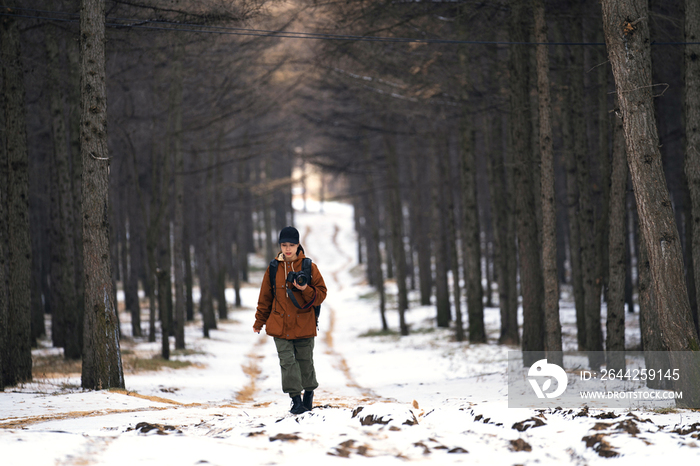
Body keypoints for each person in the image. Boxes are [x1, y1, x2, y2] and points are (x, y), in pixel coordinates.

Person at [253, 226, 327, 414]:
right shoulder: (273, 268)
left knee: (305, 362)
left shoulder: (309, 267)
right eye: (284, 245)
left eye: (291, 245)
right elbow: (265, 298)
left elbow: (321, 295)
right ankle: (295, 400)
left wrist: (304, 289)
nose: (287, 249)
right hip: (280, 325)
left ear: (298, 245)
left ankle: (308, 394)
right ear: (280, 245)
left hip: (304, 323)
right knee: (287, 363)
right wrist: (259, 322)